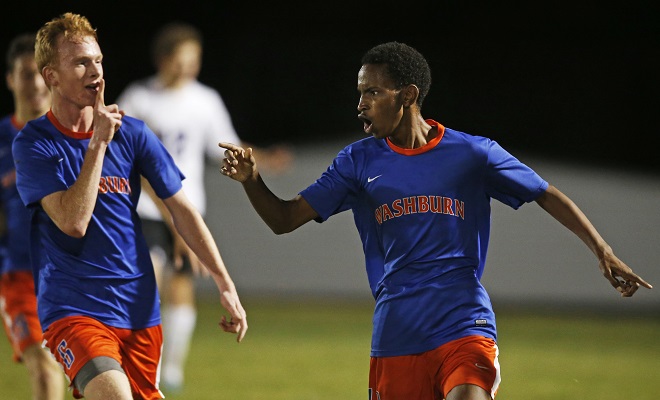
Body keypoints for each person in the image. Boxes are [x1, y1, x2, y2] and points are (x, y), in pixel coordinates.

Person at [219, 41, 652, 400]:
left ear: (407, 95)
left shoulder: (472, 153)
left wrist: (604, 250)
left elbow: (546, 193)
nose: (360, 104)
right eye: (360, 93)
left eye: (372, 93)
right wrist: (252, 179)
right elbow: (284, 218)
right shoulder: (357, 161)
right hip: (397, 329)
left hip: (463, 321)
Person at [12, 13, 247, 400]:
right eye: (81, 63)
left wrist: (225, 283)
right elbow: (73, 222)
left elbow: (182, 209)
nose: (96, 71)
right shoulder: (36, 143)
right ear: (51, 76)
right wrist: (98, 144)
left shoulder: (133, 133)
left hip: (139, 312)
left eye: (98, 60)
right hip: (74, 311)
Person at [116, 21, 291, 392]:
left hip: (188, 205)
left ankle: (171, 370)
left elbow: (225, 143)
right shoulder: (138, 98)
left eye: (194, 60)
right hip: (147, 207)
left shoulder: (205, 99)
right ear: (162, 58)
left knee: (181, 287)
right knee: (148, 280)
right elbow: (129, 159)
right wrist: (167, 213)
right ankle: (146, 363)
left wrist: (262, 158)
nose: (188, 67)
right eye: (182, 59)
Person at [0, 32, 65, 400]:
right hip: (19, 277)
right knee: (42, 367)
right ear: (11, 79)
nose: (37, 84)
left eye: (43, 73)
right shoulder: (1, 141)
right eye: (26, 74)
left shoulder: (76, 136)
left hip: (73, 275)